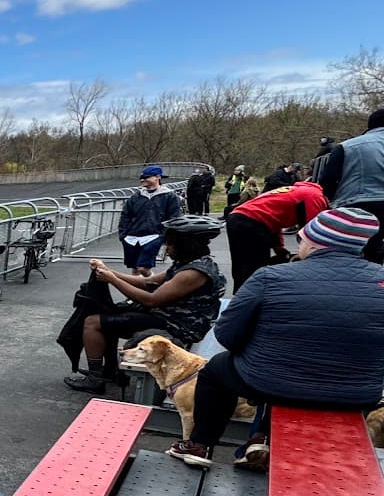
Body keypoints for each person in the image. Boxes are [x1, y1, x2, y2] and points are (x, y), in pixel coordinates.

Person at [164, 207, 384, 468]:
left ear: (314, 243)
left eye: (301, 238)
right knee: (279, 369)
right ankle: (261, 436)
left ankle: (199, 444)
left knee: (218, 369)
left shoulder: (271, 276)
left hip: (270, 382)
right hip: (357, 393)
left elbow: (226, 334)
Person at [63, 215, 226, 394]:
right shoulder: (189, 264)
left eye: (170, 244)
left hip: (178, 327)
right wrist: (109, 272)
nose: (166, 247)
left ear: (185, 244)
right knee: (108, 314)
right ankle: (107, 371)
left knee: (92, 322)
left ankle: (95, 379)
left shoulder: (194, 273)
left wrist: (112, 280)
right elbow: (148, 283)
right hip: (167, 317)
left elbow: (151, 299)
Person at [222, 179, 327, 291]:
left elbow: (274, 219)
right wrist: (311, 256)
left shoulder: (299, 190)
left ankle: (241, 296)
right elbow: (311, 232)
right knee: (255, 267)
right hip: (252, 221)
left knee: (242, 264)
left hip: (238, 216)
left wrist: (280, 249)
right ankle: (252, 298)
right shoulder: (314, 196)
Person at [316, 107, 384, 262]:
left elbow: (328, 179)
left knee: (360, 251)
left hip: (359, 205)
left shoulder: (347, 146)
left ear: (369, 126)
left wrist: (332, 201)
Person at [117, 165, 184, 277]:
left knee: (143, 268)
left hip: (153, 237)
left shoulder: (169, 196)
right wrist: (123, 235)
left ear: (157, 177)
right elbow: (125, 215)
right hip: (132, 238)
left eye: (146, 177)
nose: (142, 180)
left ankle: (154, 287)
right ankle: (135, 293)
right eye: (141, 177)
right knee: (135, 270)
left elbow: (174, 218)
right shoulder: (136, 196)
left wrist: (163, 236)